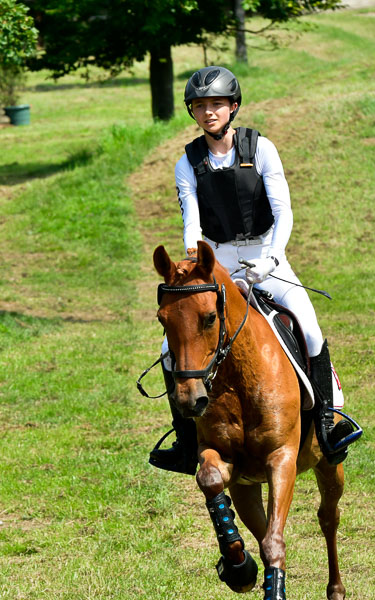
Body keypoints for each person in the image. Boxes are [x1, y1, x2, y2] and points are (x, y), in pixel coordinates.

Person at [149, 66, 361, 475]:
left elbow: (283, 212)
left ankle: (327, 424)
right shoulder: (187, 162)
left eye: (215, 105)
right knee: (167, 352)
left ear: (233, 107)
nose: (208, 113)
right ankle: (185, 440)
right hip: (218, 259)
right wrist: (194, 262)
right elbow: (191, 223)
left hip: (268, 252)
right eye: (199, 106)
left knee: (309, 327)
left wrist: (271, 259)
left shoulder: (261, 148)